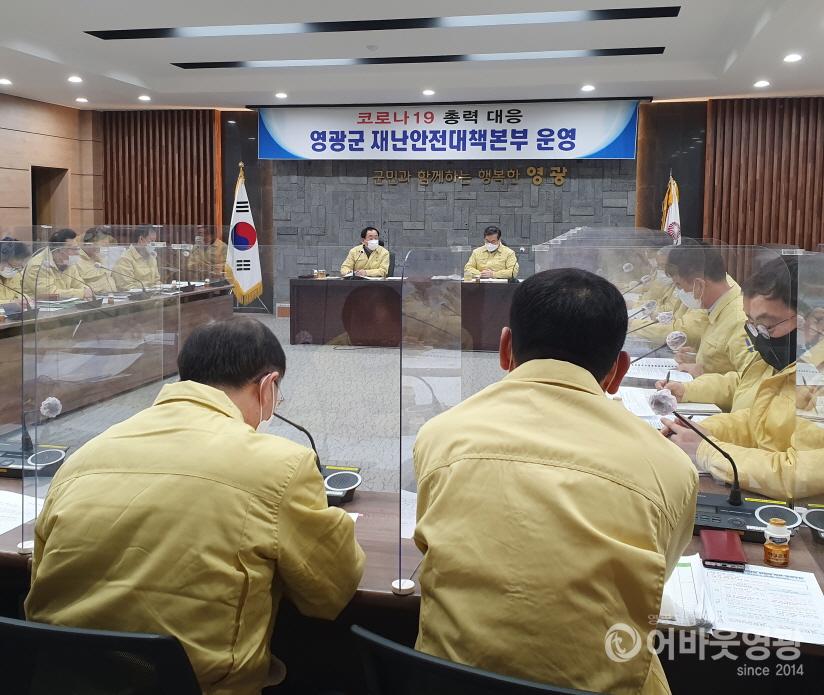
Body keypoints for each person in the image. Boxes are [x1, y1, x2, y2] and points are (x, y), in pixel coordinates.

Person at [25, 318, 365, 695]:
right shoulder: (282, 465)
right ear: (268, 386)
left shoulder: (83, 456)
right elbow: (331, 592)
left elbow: (40, 577)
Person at [413, 268, 697, 694]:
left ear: (505, 348)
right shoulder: (671, 468)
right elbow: (655, 580)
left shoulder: (440, 435)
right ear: (618, 371)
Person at [663, 257, 824, 501]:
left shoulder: (815, 377)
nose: (759, 337)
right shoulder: (791, 360)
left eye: (768, 326)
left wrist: (707, 450)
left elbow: (798, 473)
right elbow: (758, 422)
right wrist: (703, 431)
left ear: (815, 321)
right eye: (752, 325)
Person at [665, 244, 754, 378]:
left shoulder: (739, 319)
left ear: (699, 285)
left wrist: (700, 377)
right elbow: (723, 361)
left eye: (679, 285)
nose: (680, 292)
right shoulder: (717, 309)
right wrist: (697, 359)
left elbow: (750, 379)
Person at [22, 228, 91, 299]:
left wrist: (86, 290)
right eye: (74, 249)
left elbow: (79, 284)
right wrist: (81, 293)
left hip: (63, 303)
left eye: (77, 249)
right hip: (41, 304)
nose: (77, 253)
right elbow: (49, 294)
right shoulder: (38, 265)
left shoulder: (68, 262)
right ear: (58, 250)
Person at [112, 226, 161, 290]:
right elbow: (126, 288)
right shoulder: (125, 259)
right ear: (141, 239)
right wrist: (149, 290)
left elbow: (157, 281)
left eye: (155, 241)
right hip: (136, 296)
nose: (153, 245)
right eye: (152, 241)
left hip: (153, 294)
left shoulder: (151, 257)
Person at [76, 227, 118, 294]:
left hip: (113, 296)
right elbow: (80, 286)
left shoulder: (99, 257)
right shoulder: (77, 261)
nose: (100, 249)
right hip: (95, 297)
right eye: (98, 246)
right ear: (89, 243)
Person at [0, 237, 31, 303]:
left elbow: (18, 292)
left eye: (17, 268)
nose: (15, 270)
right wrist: (11, 302)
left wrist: (24, 298)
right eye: (12, 267)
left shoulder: (15, 274)